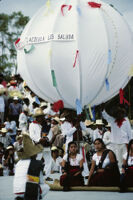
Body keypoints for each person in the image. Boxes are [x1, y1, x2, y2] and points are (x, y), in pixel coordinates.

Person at [13, 133, 49, 200]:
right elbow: (41, 181)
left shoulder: (18, 163)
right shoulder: (36, 163)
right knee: (46, 187)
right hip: (28, 190)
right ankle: (36, 197)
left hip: (17, 190)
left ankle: (22, 197)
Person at [102, 105, 132, 171]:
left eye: (121, 113)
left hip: (125, 143)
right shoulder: (112, 120)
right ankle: (119, 175)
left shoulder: (126, 120)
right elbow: (105, 116)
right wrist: (103, 109)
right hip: (115, 143)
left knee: (126, 159)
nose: (119, 115)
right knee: (118, 160)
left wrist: (131, 143)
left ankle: (125, 173)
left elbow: (129, 132)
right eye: (118, 113)